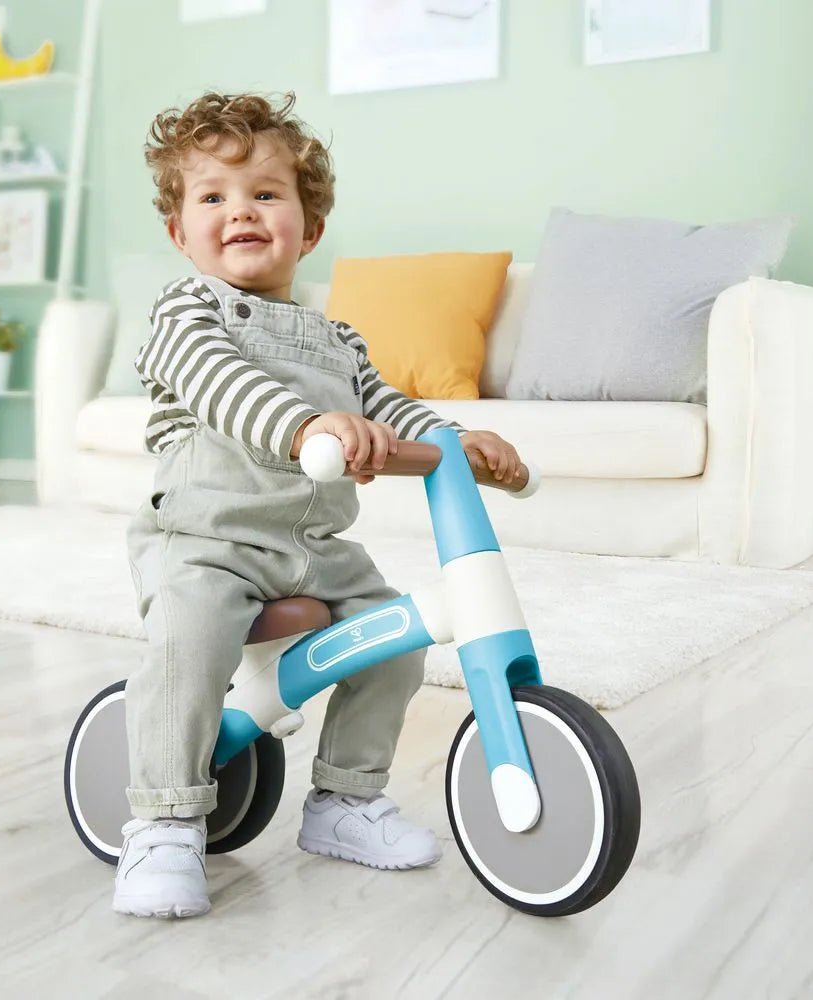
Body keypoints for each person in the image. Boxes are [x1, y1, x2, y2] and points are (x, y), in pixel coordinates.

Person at [115, 91, 522, 919]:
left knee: (396, 638)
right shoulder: (184, 311)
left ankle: (344, 799)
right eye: (214, 197)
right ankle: (162, 822)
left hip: (316, 551)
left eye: (266, 193)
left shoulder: (338, 341)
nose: (241, 211)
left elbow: (388, 406)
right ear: (181, 233)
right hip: (206, 541)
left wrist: (456, 441)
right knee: (188, 637)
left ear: (310, 227)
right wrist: (307, 427)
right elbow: (222, 384)